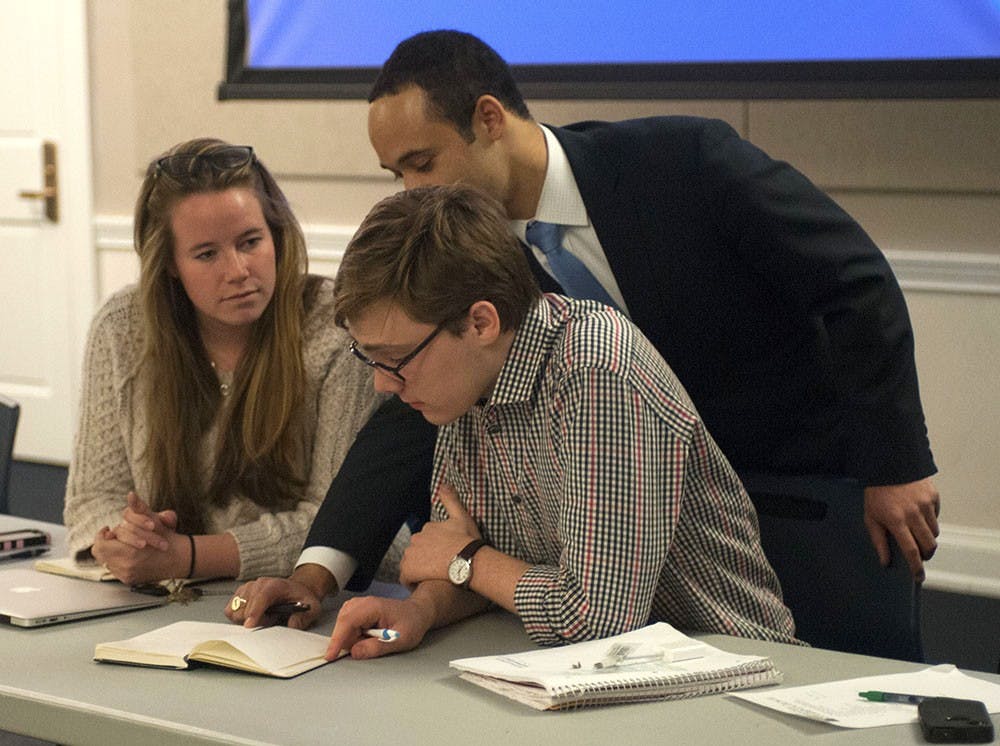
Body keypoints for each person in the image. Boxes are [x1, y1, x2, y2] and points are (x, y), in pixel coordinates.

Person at [355, 29, 939, 581]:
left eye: (423, 163)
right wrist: (322, 563)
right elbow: (416, 392)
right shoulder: (469, 258)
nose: (413, 191)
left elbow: (854, 282)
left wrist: (896, 463)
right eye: (396, 173)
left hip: (801, 485)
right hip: (629, 537)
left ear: (488, 119)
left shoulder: (683, 161)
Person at [306, 184, 794, 657]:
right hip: (592, 674)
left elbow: (595, 617)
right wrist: (423, 610)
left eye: (395, 359)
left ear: (481, 323)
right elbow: (463, 549)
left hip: (732, 668)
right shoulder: (464, 387)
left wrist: (467, 561)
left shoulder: (595, 370)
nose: (382, 385)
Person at [63, 138, 382, 585]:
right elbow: (92, 498)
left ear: (277, 235)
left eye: (251, 241)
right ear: (171, 264)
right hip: (159, 599)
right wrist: (126, 538)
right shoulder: (121, 327)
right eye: (207, 254)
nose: (237, 271)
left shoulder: (333, 327)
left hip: (313, 597)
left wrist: (188, 556)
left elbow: (340, 522)